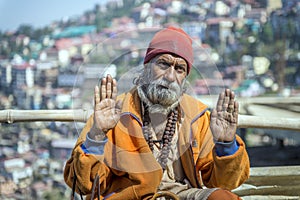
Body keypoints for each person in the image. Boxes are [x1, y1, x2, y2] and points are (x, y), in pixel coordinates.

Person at [64, 26, 250, 200]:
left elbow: (224, 183)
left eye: (179, 69)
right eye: (163, 64)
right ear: (146, 68)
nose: (170, 77)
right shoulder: (112, 112)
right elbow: (83, 185)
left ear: (185, 78)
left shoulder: (198, 117)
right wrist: (97, 134)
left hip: (183, 194)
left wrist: (225, 144)